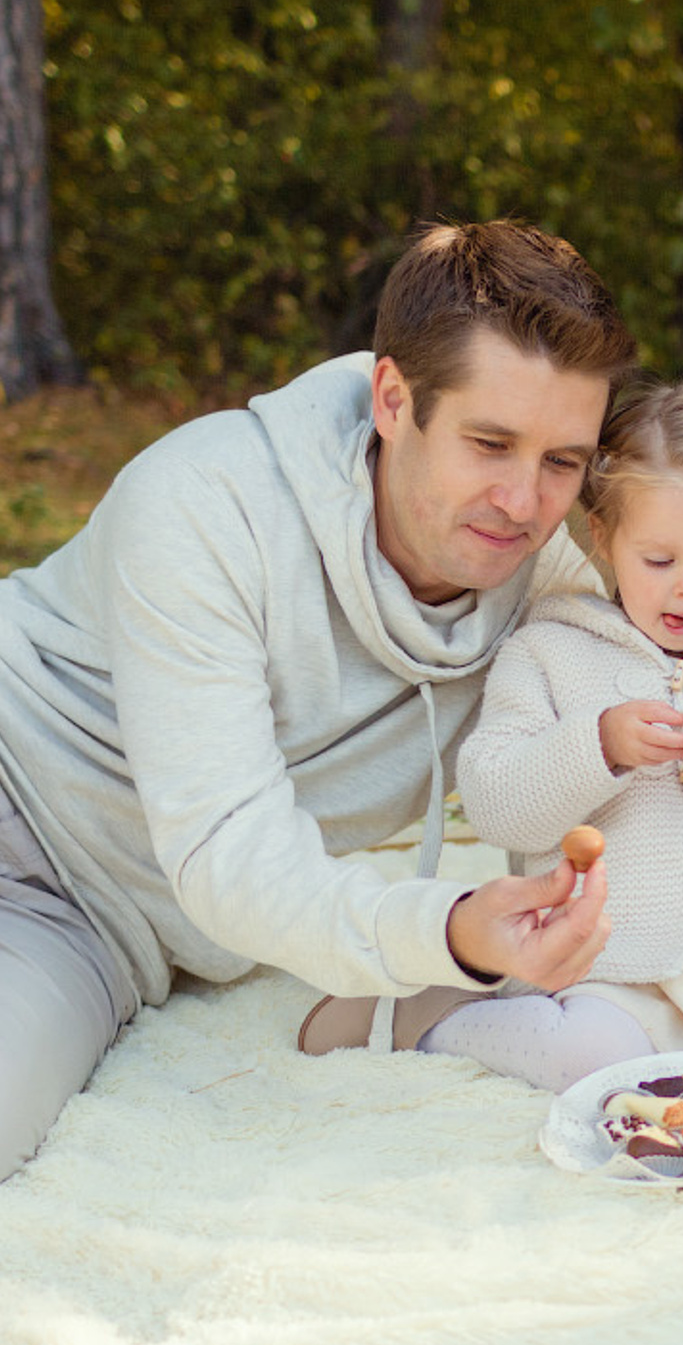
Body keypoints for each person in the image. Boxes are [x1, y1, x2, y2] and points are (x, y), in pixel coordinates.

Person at [0, 220, 635, 1177]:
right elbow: (230, 849)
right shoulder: (205, 499)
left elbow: (657, 765)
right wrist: (446, 930)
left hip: (92, 930)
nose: (522, 502)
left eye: (561, 462)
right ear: (393, 400)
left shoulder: (550, 599)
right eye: (490, 443)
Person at [305, 381, 683, 1091]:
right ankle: (429, 1018)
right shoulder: (549, 652)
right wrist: (598, 745)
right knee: (595, 1059)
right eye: (659, 561)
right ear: (603, 538)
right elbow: (497, 804)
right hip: (617, 964)